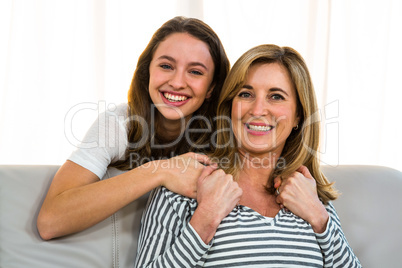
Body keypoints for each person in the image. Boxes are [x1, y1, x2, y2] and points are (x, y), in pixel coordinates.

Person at [135, 44, 362, 267]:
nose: (257, 110)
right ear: (230, 108)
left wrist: (319, 218)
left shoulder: (311, 198)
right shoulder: (182, 186)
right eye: (246, 94)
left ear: (298, 117)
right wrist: (204, 221)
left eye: (276, 96)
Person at [37, 16, 230, 240]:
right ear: (148, 71)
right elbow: (50, 221)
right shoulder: (118, 123)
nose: (177, 82)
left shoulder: (227, 131)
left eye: (195, 71)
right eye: (166, 66)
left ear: (211, 87)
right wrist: (160, 171)